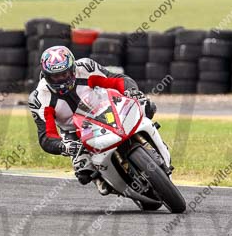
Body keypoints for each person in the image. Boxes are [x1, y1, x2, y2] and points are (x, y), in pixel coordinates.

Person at [28, 45, 156, 194]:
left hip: (106, 112)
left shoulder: (86, 68)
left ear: (73, 69)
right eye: (55, 76)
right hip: (75, 132)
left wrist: (132, 92)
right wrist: (64, 146)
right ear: (45, 76)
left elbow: (117, 80)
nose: (61, 79)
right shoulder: (39, 98)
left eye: (65, 74)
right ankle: (107, 180)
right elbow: (47, 137)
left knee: (147, 107)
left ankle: (153, 145)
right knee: (84, 173)